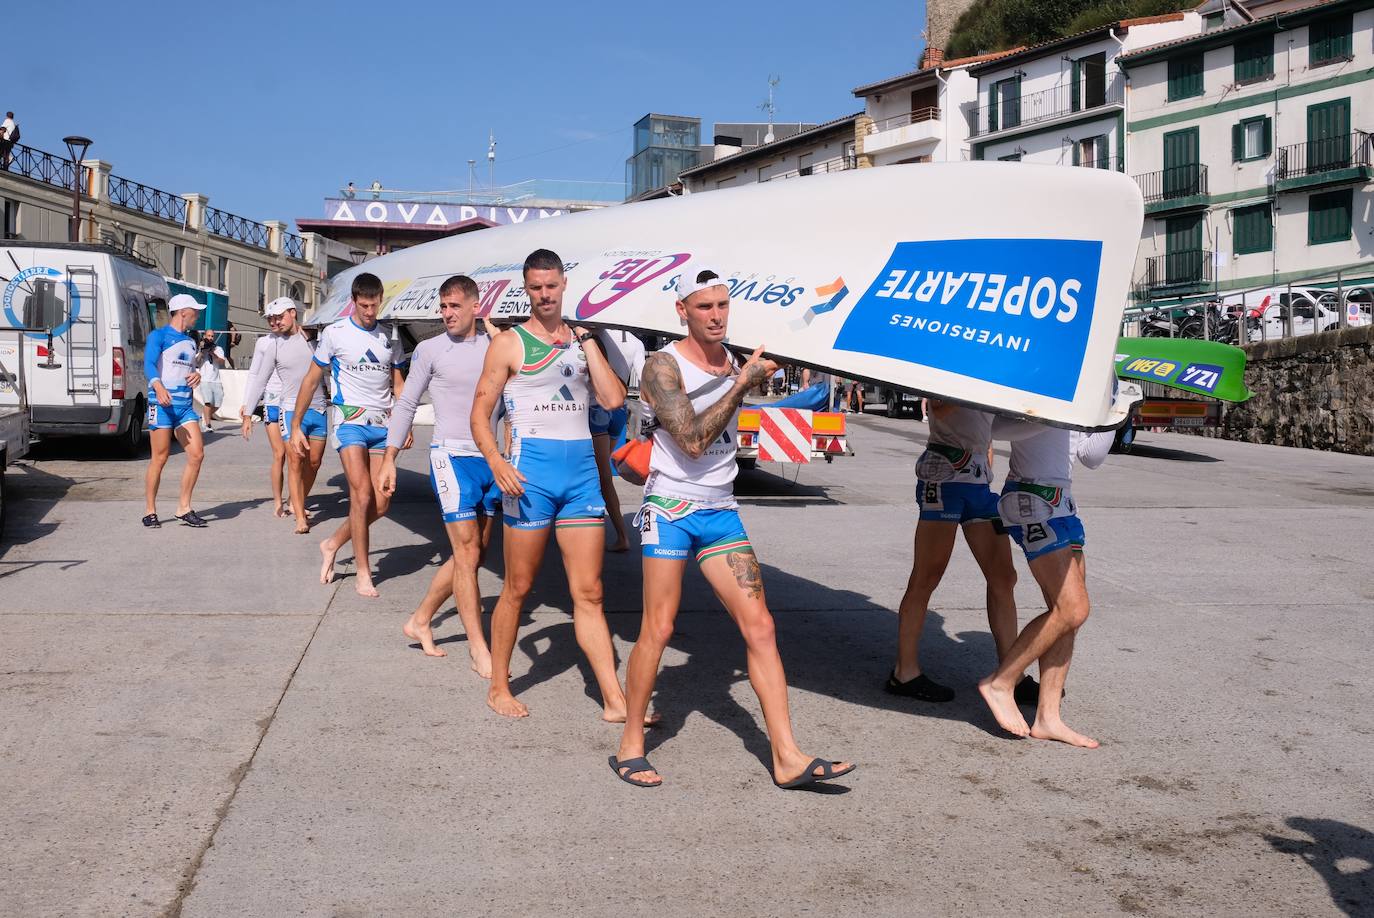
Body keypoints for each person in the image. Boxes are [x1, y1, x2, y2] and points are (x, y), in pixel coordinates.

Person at [610, 269, 855, 790]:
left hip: (719, 510)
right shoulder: (663, 365)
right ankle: (630, 744)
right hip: (669, 507)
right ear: (682, 311)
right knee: (658, 628)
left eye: (723, 305)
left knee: (761, 627)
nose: (717, 315)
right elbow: (693, 441)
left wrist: (754, 373)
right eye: (705, 307)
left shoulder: (732, 360)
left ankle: (787, 756)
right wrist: (741, 382)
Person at [470, 248, 631, 720]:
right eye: (536, 288)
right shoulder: (509, 344)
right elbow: (479, 415)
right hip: (530, 480)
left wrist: (586, 342)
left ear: (564, 286)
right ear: (527, 290)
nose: (544, 295)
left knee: (591, 592)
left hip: (581, 478)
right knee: (518, 586)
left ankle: (615, 699)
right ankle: (499, 685)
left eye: (552, 286)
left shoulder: (584, 342)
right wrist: (496, 461)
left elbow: (614, 399)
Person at [379, 275, 499, 676]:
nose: (446, 313)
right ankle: (479, 647)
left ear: (475, 307)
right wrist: (389, 457)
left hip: (490, 461)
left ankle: (421, 619)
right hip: (450, 456)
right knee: (466, 553)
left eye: (454, 306)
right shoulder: (430, 349)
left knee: (476, 553)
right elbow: (407, 401)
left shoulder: (497, 346)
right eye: (443, 306)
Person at [977, 420, 1112, 748]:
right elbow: (997, 427)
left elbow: (1090, 455)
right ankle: (1001, 682)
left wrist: (1118, 412)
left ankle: (1048, 717)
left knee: (1069, 617)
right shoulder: (1056, 373)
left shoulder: (1105, 381)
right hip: (1031, 497)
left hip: (1063, 502)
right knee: (1073, 607)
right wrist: (1049, 414)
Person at [886, 400, 1021, 703]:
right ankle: (903, 673)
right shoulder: (958, 361)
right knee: (926, 576)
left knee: (1004, 576)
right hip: (944, 475)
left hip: (977, 480)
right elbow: (940, 405)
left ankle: (1012, 674)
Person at [291, 273, 409, 597]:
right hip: (349, 421)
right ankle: (362, 572)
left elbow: (399, 388)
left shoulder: (390, 338)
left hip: (382, 425)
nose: (370, 311)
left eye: (375, 305)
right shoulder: (335, 333)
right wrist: (296, 425)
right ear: (354, 301)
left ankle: (332, 543)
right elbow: (311, 379)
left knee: (381, 504)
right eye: (365, 305)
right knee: (361, 495)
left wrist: (404, 425)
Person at [241, 297, 327, 530]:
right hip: (289, 409)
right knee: (295, 460)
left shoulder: (315, 338)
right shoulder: (274, 345)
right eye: (271, 319)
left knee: (315, 462)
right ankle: (299, 515)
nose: (274, 322)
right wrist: (248, 413)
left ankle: (296, 500)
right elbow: (259, 379)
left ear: (293, 313)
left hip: (318, 408)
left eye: (279, 317)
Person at [143, 294, 209, 528]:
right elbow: (149, 364)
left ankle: (184, 507)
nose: (198, 316)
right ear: (183, 312)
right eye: (195, 311)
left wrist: (196, 375)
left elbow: (190, 369)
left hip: (184, 407)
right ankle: (150, 511)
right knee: (159, 458)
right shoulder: (158, 336)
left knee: (197, 454)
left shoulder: (191, 342)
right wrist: (157, 385)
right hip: (161, 405)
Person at [589, 329, 646, 553]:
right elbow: (643, 378)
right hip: (619, 412)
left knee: (602, 476)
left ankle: (622, 535)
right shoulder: (634, 341)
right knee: (600, 473)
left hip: (597, 409)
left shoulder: (595, 335)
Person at [195, 330, 227, 432]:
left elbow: (222, 362)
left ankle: (205, 416)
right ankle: (208, 425)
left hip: (216, 380)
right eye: (208, 336)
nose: (210, 338)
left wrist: (211, 352)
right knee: (208, 402)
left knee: (218, 403)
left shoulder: (218, 349)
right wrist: (201, 351)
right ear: (204, 336)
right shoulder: (201, 349)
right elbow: (196, 362)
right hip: (204, 379)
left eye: (212, 336)